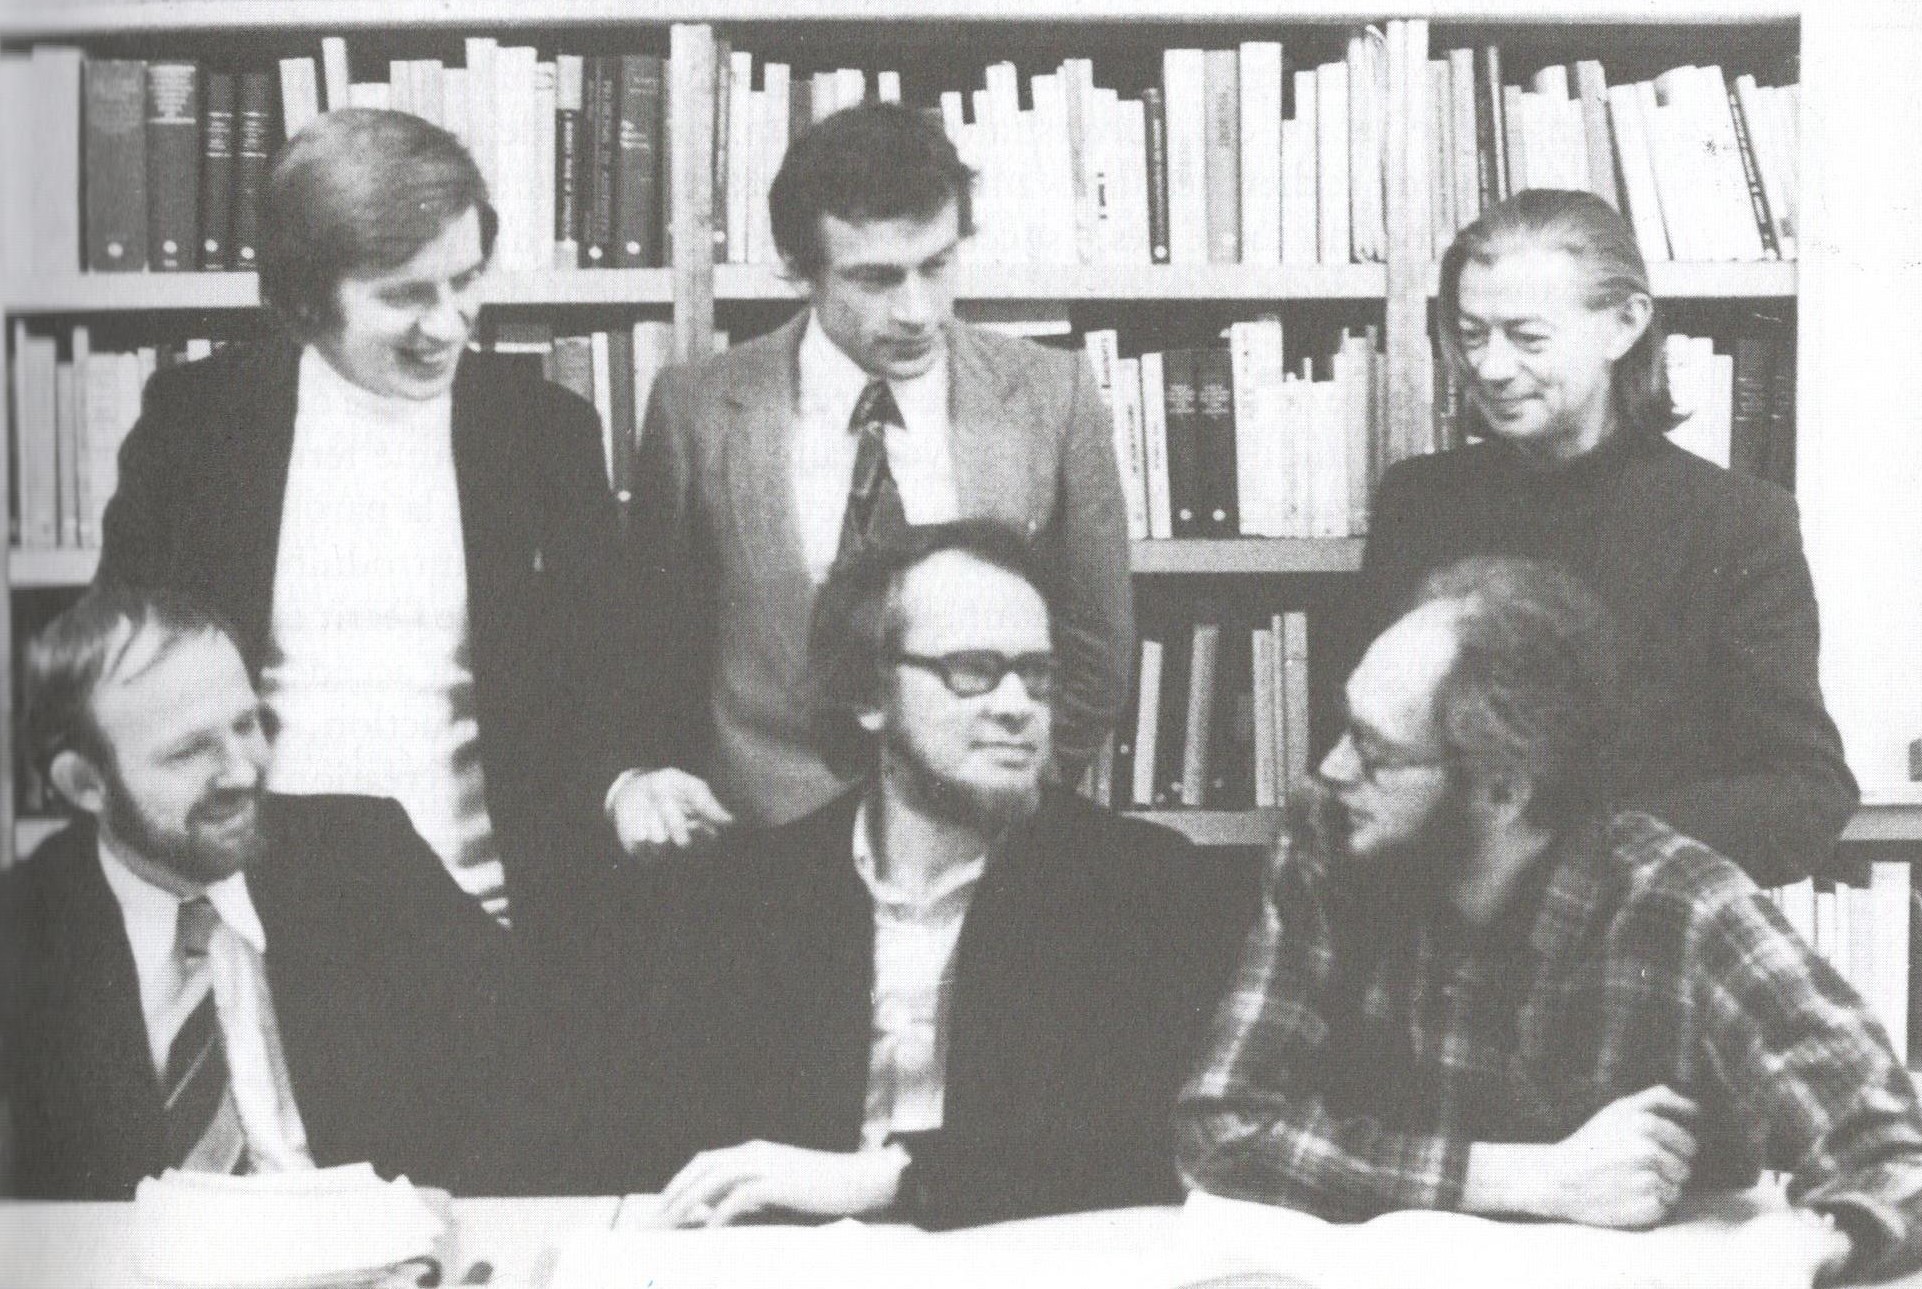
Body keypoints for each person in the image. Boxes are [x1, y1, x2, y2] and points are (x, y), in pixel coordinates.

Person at [1175, 556, 1922, 1287]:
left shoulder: (1683, 905)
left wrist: (1807, 1247)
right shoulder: (1333, 836)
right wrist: (1533, 1177)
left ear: (1503, 789)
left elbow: (1898, 1155)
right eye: (1344, 727)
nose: (1333, 769)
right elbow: (1220, 1126)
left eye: (1375, 751)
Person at [97, 109, 646, 942]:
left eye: (465, 279)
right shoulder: (198, 423)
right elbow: (123, 670)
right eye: (405, 294)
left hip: (490, 919)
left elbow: (605, 679)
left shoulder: (543, 431)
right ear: (308, 299)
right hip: (252, 921)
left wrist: (629, 782)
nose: (449, 323)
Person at [650, 521, 1255, 1229]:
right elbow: (690, 1145)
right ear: (870, 695)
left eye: (1037, 674)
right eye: (973, 670)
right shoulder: (749, 894)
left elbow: (1129, 1148)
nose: (1016, 706)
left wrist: (888, 1178)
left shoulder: (1144, 885)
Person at [624, 102, 1133, 852]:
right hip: (761, 850)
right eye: (876, 278)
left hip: (987, 839)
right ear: (800, 267)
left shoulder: (1054, 395)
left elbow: (1097, 643)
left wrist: (1011, 783)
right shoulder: (695, 407)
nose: (917, 310)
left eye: (937, 265)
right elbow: (656, 647)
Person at [1358, 188, 1855, 886]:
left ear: (1624, 325)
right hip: (1445, 925)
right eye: (1471, 335)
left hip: (1636, 923)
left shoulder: (1735, 521)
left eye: (1528, 337)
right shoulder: (1417, 503)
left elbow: (1805, 793)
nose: (1490, 368)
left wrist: (1572, 851)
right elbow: (1355, 749)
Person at [3, 587, 534, 1199]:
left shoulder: (366, 859)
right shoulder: (25, 930)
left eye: (246, 724)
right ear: (85, 784)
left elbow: (540, 1066)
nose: (243, 770)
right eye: (189, 751)